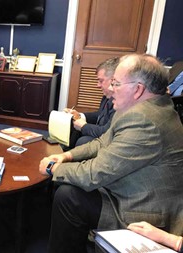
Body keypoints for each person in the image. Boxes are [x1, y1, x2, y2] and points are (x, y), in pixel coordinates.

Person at [39, 53, 183, 253]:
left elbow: (93, 175)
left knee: (69, 196)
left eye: (116, 83)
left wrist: (52, 167)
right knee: (68, 186)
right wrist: (66, 156)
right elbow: (101, 142)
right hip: (132, 188)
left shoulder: (144, 122)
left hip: (144, 211)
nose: (111, 89)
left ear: (138, 89)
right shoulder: (143, 108)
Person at [63, 57, 119, 148]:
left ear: (113, 79)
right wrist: (79, 115)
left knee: (83, 141)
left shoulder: (120, 101)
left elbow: (107, 131)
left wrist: (83, 126)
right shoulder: (107, 96)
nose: (98, 85)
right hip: (101, 131)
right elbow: (100, 114)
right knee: (72, 125)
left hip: (109, 139)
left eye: (101, 81)